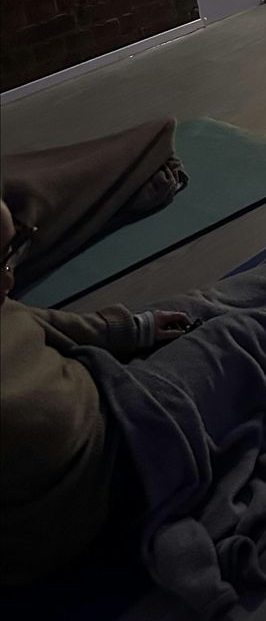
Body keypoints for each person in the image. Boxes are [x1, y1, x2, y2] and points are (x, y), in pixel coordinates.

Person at [0, 197, 191, 585]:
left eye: (9, 253)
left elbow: (35, 319)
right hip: (102, 477)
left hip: (108, 391)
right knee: (236, 343)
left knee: (205, 310)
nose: (9, 281)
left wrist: (134, 328)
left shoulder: (4, 305)